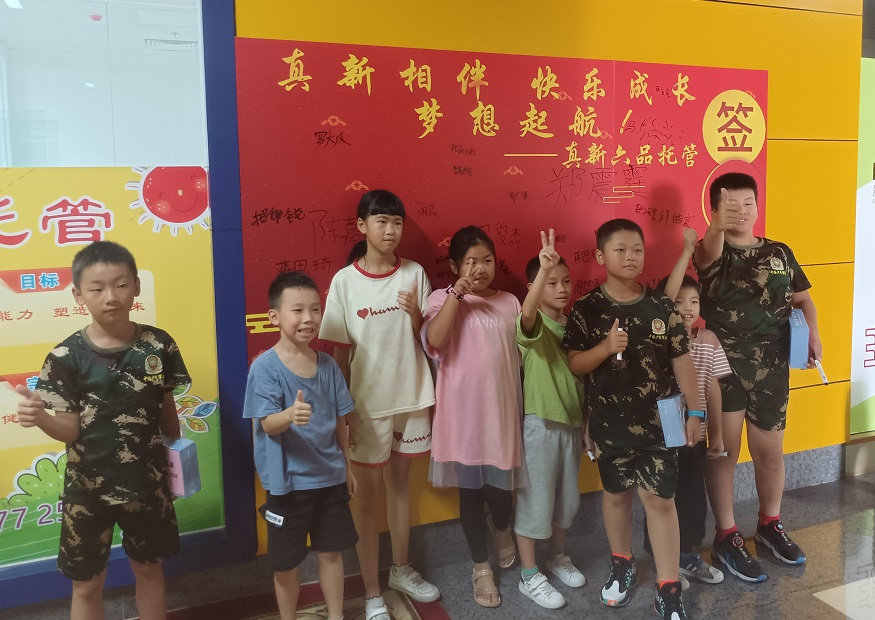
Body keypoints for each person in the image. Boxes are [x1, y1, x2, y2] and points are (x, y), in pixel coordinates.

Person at [15, 240, 190, 620]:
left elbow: (166, 410)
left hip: (148, 485)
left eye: (121, 284)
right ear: (79, 295)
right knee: (87, 583)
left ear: (136, 286)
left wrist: (175, 470)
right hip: (87, 492)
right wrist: (41, 417)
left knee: (150, 570)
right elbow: (69, 430)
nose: (111, 296)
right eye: (97, 288)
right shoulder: (65, 357)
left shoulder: (159, 344)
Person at [563, 218, 703, 620]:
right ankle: (622, 563)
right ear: (600, 256)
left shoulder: (661, 305)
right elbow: (575, 364)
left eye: (637, 250)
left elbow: (682, 362)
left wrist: (696, 412)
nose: (630, 256)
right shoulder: (587, 309)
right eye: (620, 249)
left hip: (662, 422)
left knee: (660, 499)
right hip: (609, 423)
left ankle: (668, 586)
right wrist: (606, 347)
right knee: (616, 495)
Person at [693, 172, 822, 582]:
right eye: (731, 205)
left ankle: (769, 525)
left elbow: (803, 298)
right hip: (724, 368)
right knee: (724, 454)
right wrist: (717, 225)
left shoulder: (780, 251)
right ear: (715, 211)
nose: (742, 211)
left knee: (770, 453)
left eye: (749, 203)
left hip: (773, 366)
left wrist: (813, 334)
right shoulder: (710, 252)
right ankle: (726, 535)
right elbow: (708, 250)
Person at [319, 190, 439, 620]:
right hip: (367, 406)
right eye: (381, 221)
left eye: (397, 222)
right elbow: (339, 354)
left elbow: (432, 340)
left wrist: (416, 315)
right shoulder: (344, 282)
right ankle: (372, 592)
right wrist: (343, 411)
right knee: (367, 500)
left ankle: (401, 570)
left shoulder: (415, 273)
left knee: (401, 487)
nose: (390, 231)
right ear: (362, 226)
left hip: (413, 397)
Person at [243, 271, 358, 620]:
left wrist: (347, 467)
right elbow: (266, 424)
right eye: (297, 310)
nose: (308, 318)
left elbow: (341, 420)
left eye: (315, 309)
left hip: (330, 479)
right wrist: (290, 415)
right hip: (287, 486)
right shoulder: (264, 368)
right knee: (285, 564)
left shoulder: (328, 366)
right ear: (274, 316)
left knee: (331, 554)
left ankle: (336, 615)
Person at [423, 225, 526, 608]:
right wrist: (457, 294)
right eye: (470, 261)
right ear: (454, 266)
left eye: (487, 260)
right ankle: (480, 568)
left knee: (499, 491)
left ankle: (501, 528)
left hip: (500, 414)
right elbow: (436, 340)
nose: (480, 268)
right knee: (470, 494)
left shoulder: (509, 302)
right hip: (461, 417)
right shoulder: (440, 298)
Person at [641, 228, 730, 589]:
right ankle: (664, 559)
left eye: (693, 302)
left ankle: (687, 555)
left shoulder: (708, 340)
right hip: (663, 433)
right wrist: (687, 250)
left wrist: (717, 433)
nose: (687, 308)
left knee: (693, 496)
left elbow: (713, 388)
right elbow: (663, 301)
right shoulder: (660, 339)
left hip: (697, 432)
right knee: (663, 495)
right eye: (679, 302)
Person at [514, 229, 586, 610]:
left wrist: (586, 424)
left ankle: (557, 556)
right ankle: (528, 575)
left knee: (567, 502)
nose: (561, 289)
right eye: (551, 282)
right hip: (540, 426)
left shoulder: (575, 325)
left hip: (571, 426)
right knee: (535, 502)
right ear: (535, 286)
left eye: (565, 281)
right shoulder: (534, 324)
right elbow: (527, 314)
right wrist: (544, 268)